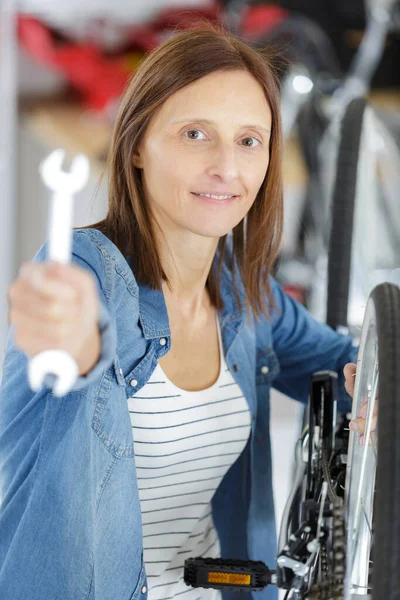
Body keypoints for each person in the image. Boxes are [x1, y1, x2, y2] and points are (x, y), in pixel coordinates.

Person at [0, 23, 364, 600]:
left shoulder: (247, 295)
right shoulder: (87, 271)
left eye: (249, 140)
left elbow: (357, 363)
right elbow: (81, 333)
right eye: (196, 133)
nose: (227, 166)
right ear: (138, 143)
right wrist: (70, 338)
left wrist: (370, 389)